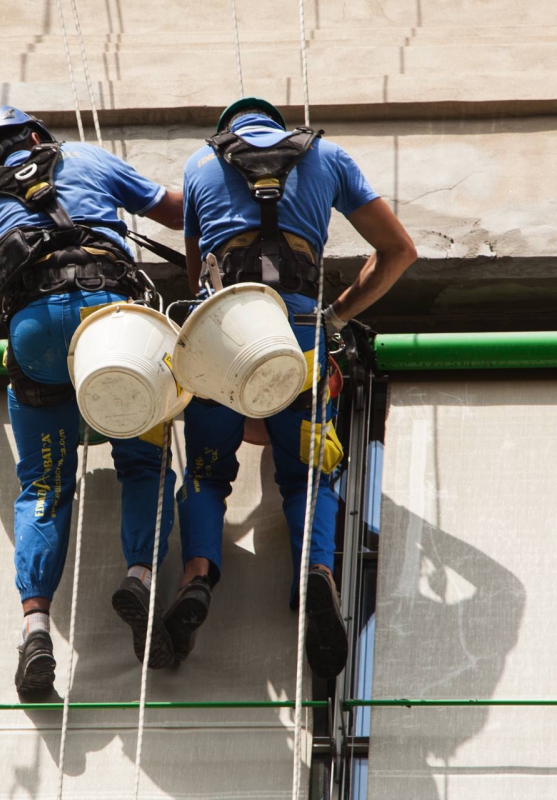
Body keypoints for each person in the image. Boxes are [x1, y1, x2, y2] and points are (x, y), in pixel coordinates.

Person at [165, 97, 417, 678]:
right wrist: (338, 315)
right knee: (311, 468)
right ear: (278, 126)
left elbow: (195, 272)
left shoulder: (201, 165)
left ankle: (196, 577)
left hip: (223, 336)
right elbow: (400, 251)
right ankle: (318, 573)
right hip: (300, 334)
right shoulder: (327, 156)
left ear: (229, 128)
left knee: (205, 470)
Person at [0, 106, 186, 694]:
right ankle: (139, 577)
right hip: (113, 328)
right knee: (142, 464)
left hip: (36, 338)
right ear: (34, 136)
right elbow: (178, 211)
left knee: (44, 487)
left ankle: (35, 630)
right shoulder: (85, 157)